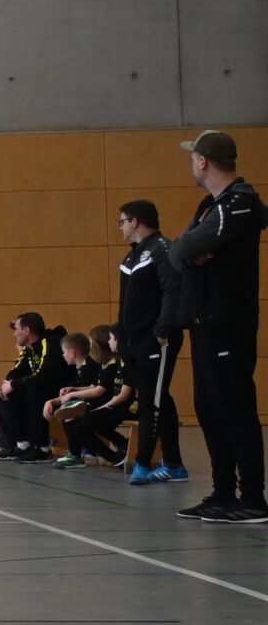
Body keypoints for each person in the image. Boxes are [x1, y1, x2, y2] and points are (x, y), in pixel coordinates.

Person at [171, 130, 264, 522]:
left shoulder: (239, 203)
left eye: (193, 158)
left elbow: (184, 248)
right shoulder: (210, 206)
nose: (191, 164)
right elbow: (178, 252)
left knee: (234, 409)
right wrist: (189, 250)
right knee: (208, 409)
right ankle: (223, 493)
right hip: (203, 322)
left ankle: (253, 498)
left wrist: (190, 249)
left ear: (203, 161)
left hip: (227, 323)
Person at [115, 200, 187, 486]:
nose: (120, 227)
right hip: (133, 341)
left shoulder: (162, 249)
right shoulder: (131, 257)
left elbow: (174, 291)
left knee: (150, 402)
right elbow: (125, 304)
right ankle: (174, 463)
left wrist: (161, 330)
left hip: (155, 339)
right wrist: (121, 337)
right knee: (159, 397)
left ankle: (143, 463)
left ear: (135, 221)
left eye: (122, 221)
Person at [0, 312, 65, 461]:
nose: (14, 334)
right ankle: (16, 444)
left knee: (33, 390)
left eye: (16, 329)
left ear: (27, 330)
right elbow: (14, 373)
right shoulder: (30, 349)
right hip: (40, 389)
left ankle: (42, 448)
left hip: (61, 391)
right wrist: (1, 387)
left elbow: (44, 376)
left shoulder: (49, 342)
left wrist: (12, 384)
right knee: (3, 394)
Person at [48, 330, 128, 469]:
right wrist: (73, 390)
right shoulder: (104, 363)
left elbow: (99, 391)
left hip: (116, 404)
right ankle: (96, 455)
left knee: (82, 420)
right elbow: (94, 386)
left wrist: (72, 395)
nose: (89, 347)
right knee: (73, 417)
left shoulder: (109, 364)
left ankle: (115, 449)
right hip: (108, 403)